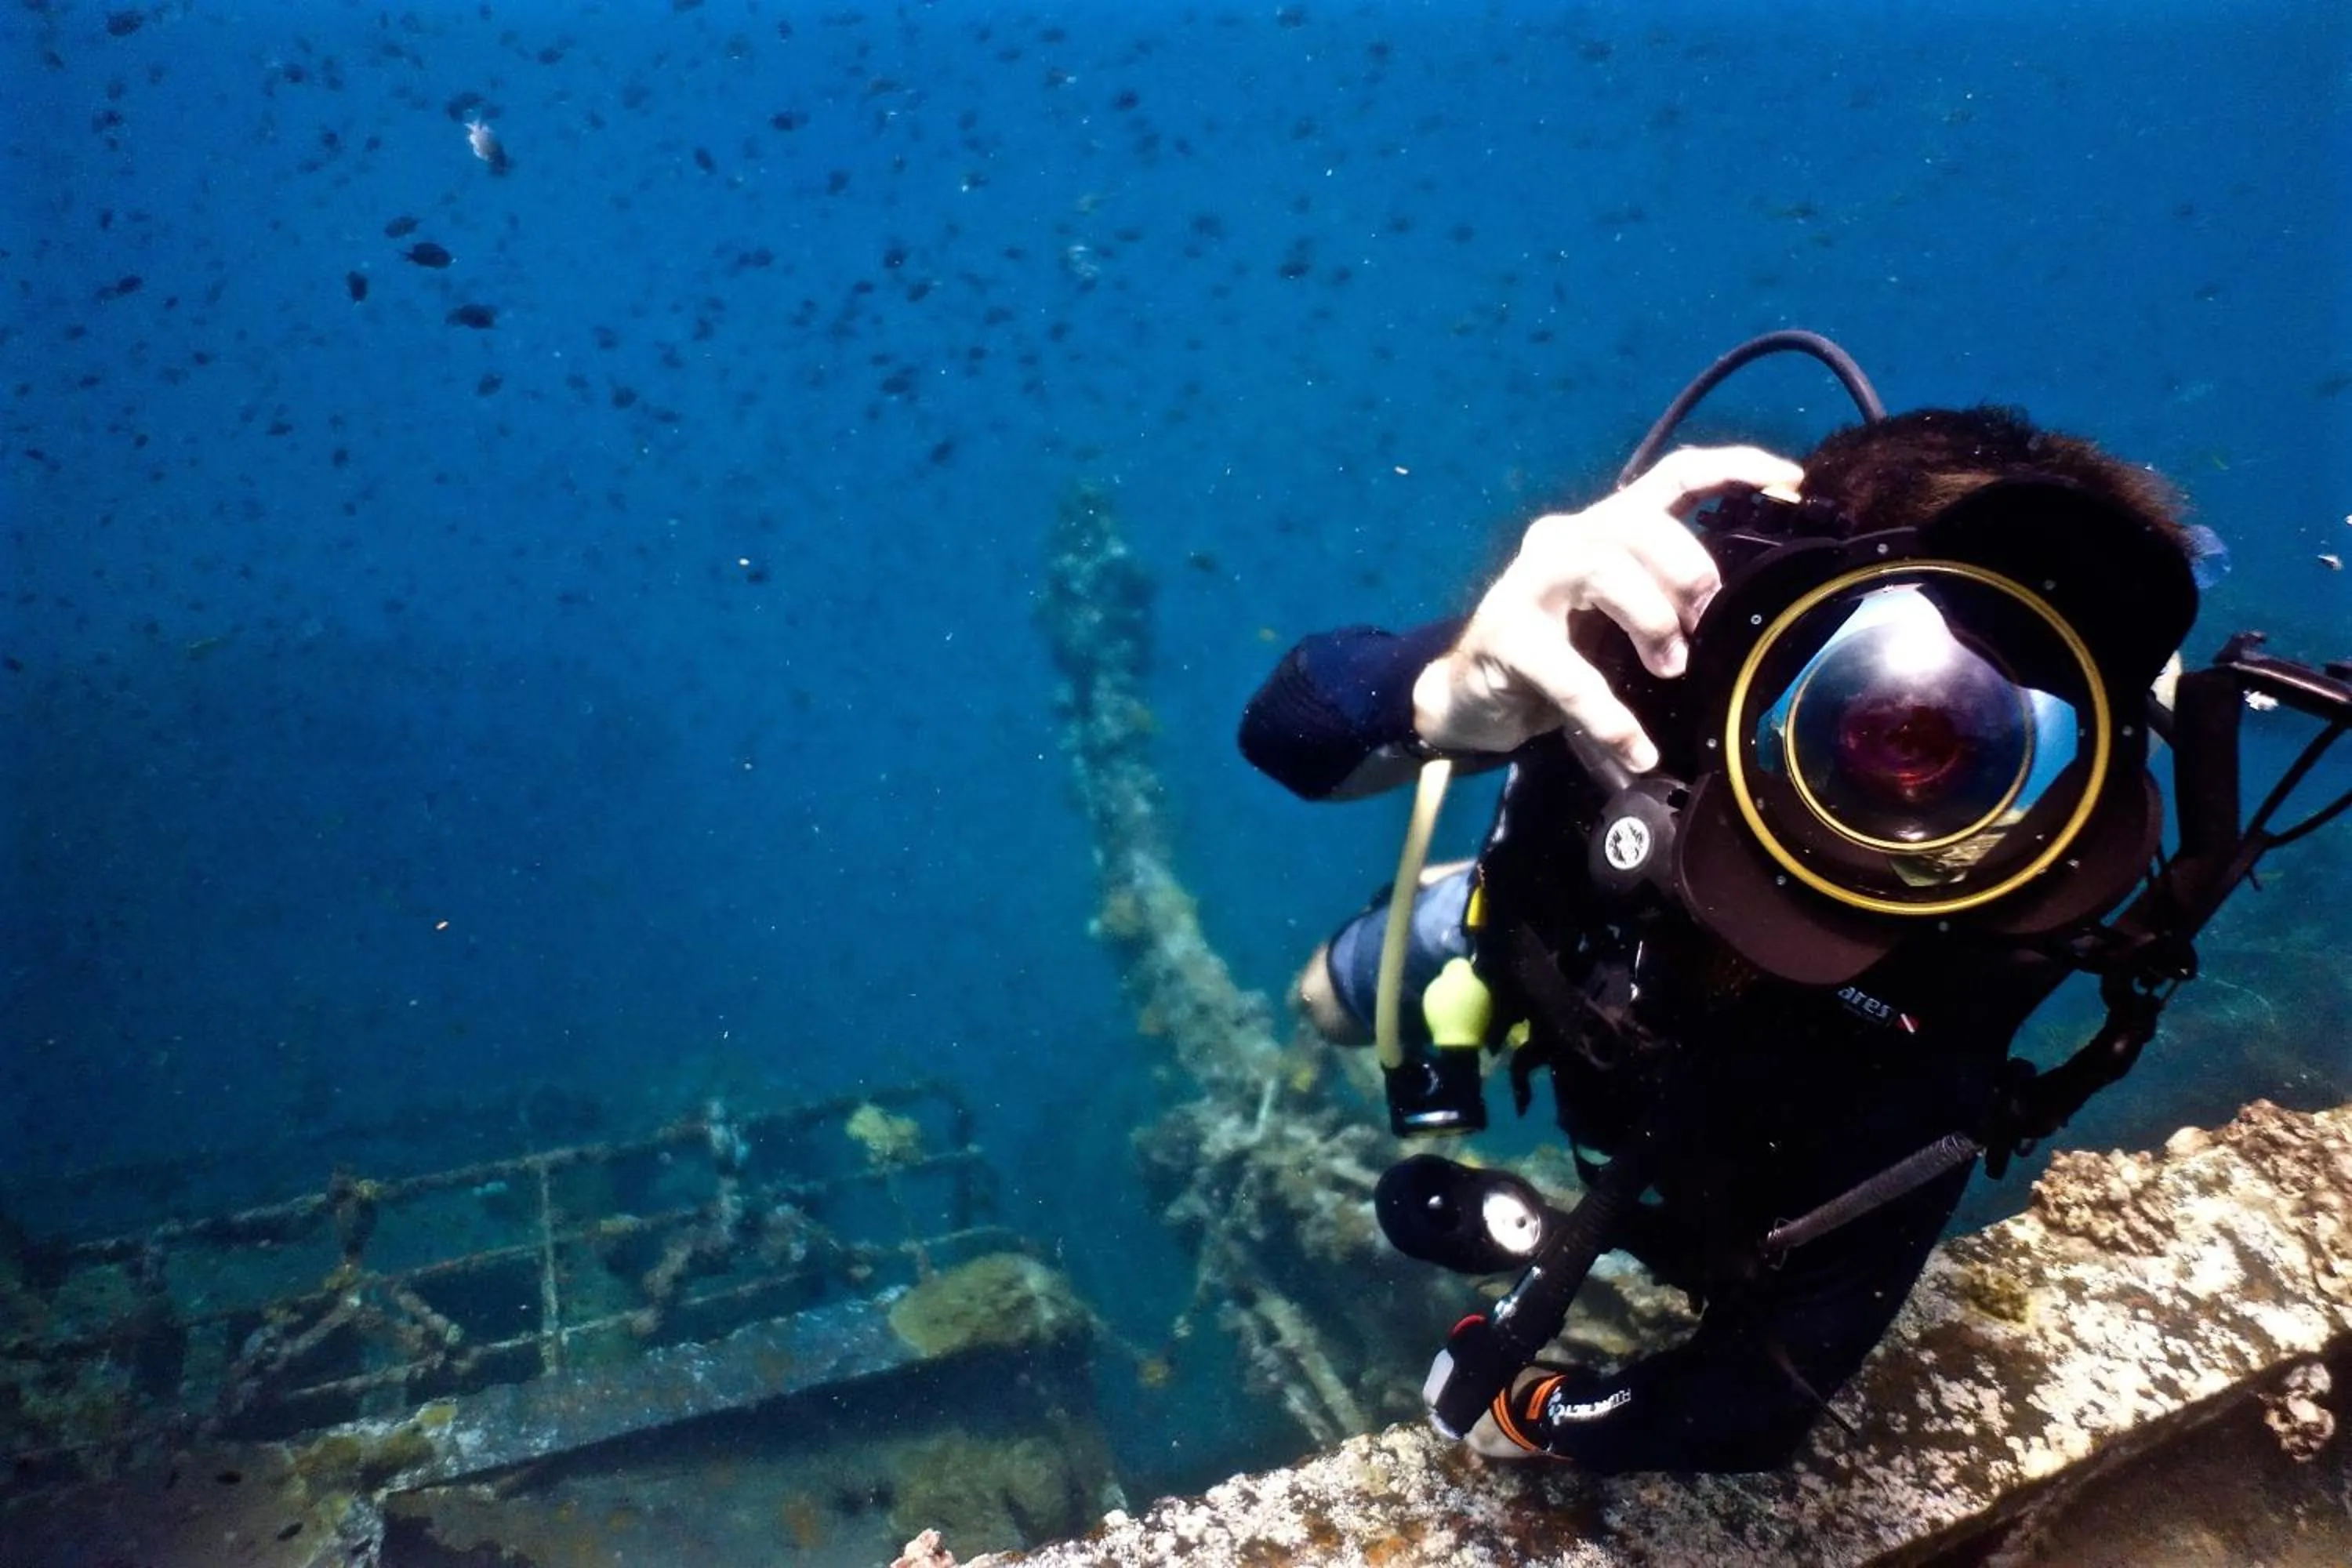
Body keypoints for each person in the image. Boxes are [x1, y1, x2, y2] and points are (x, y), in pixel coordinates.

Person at [1236, 339, 2238, 1473]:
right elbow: (1291, 733)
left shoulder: (1976, 964)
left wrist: (1529, 1414)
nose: (1910, 756)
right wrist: (1458, 687)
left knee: (1721, 1232)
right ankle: (1448, 926)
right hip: (1539, 938)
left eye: (1988, 736)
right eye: (1867, 697)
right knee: (1324, 1000)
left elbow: (1762, 1397)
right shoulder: (1651, 661)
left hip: (1788, 1075)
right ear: (1763, 611)